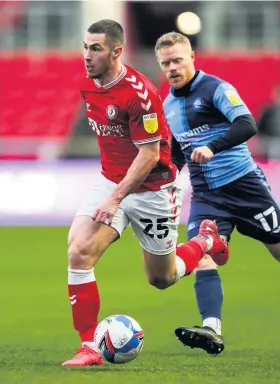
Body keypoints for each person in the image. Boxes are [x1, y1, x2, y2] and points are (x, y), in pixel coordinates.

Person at [62, 20, 229, 367]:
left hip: (152, 188)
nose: (87, 56)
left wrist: (116, 198)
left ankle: (205, 241)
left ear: (116, 51)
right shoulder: (88, 85)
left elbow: (150, 154)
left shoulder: (140, 93)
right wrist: (112, 192)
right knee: (78, 251)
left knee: (161, 278)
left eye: (96, 49)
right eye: (85, 47)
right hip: (112, 181)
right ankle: (89, 347)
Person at [155, 32, 280, 355]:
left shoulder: (216, 89)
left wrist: (212, 146)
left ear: (192, 57)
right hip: (207, 196)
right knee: (203, 255)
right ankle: (212, 329)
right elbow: (180, 151)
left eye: (177, 60)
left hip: (245, 187)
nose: (172, 67)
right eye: (166, 63)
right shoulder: (167, 104)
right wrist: (166, 179)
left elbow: (247, 124)